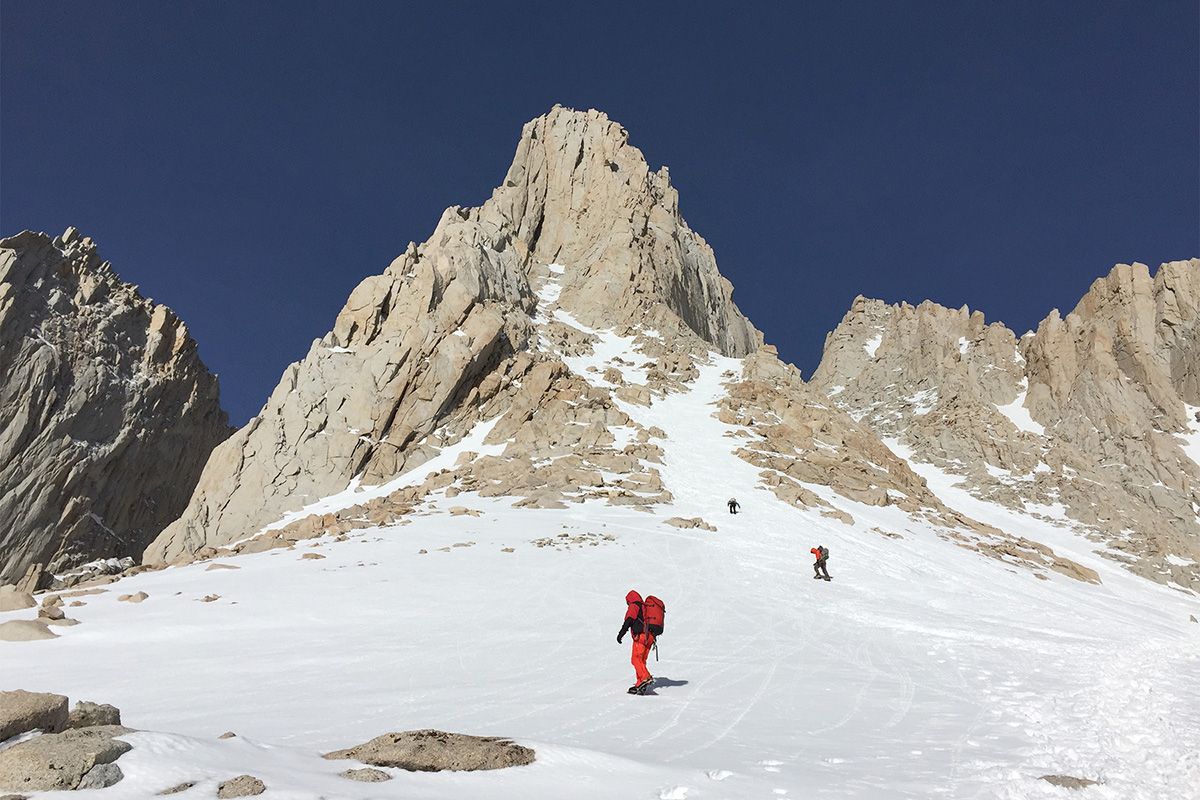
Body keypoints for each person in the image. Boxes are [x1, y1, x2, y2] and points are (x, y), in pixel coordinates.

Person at [616, 590, 654, 693]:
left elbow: (629, 619)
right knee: (641, 661)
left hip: (641, 637)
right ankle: (640, 684)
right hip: (650, 637)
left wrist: (621, 633)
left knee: (635, 659)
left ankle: (645, 677)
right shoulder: (645, 607)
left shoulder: (634, 605)